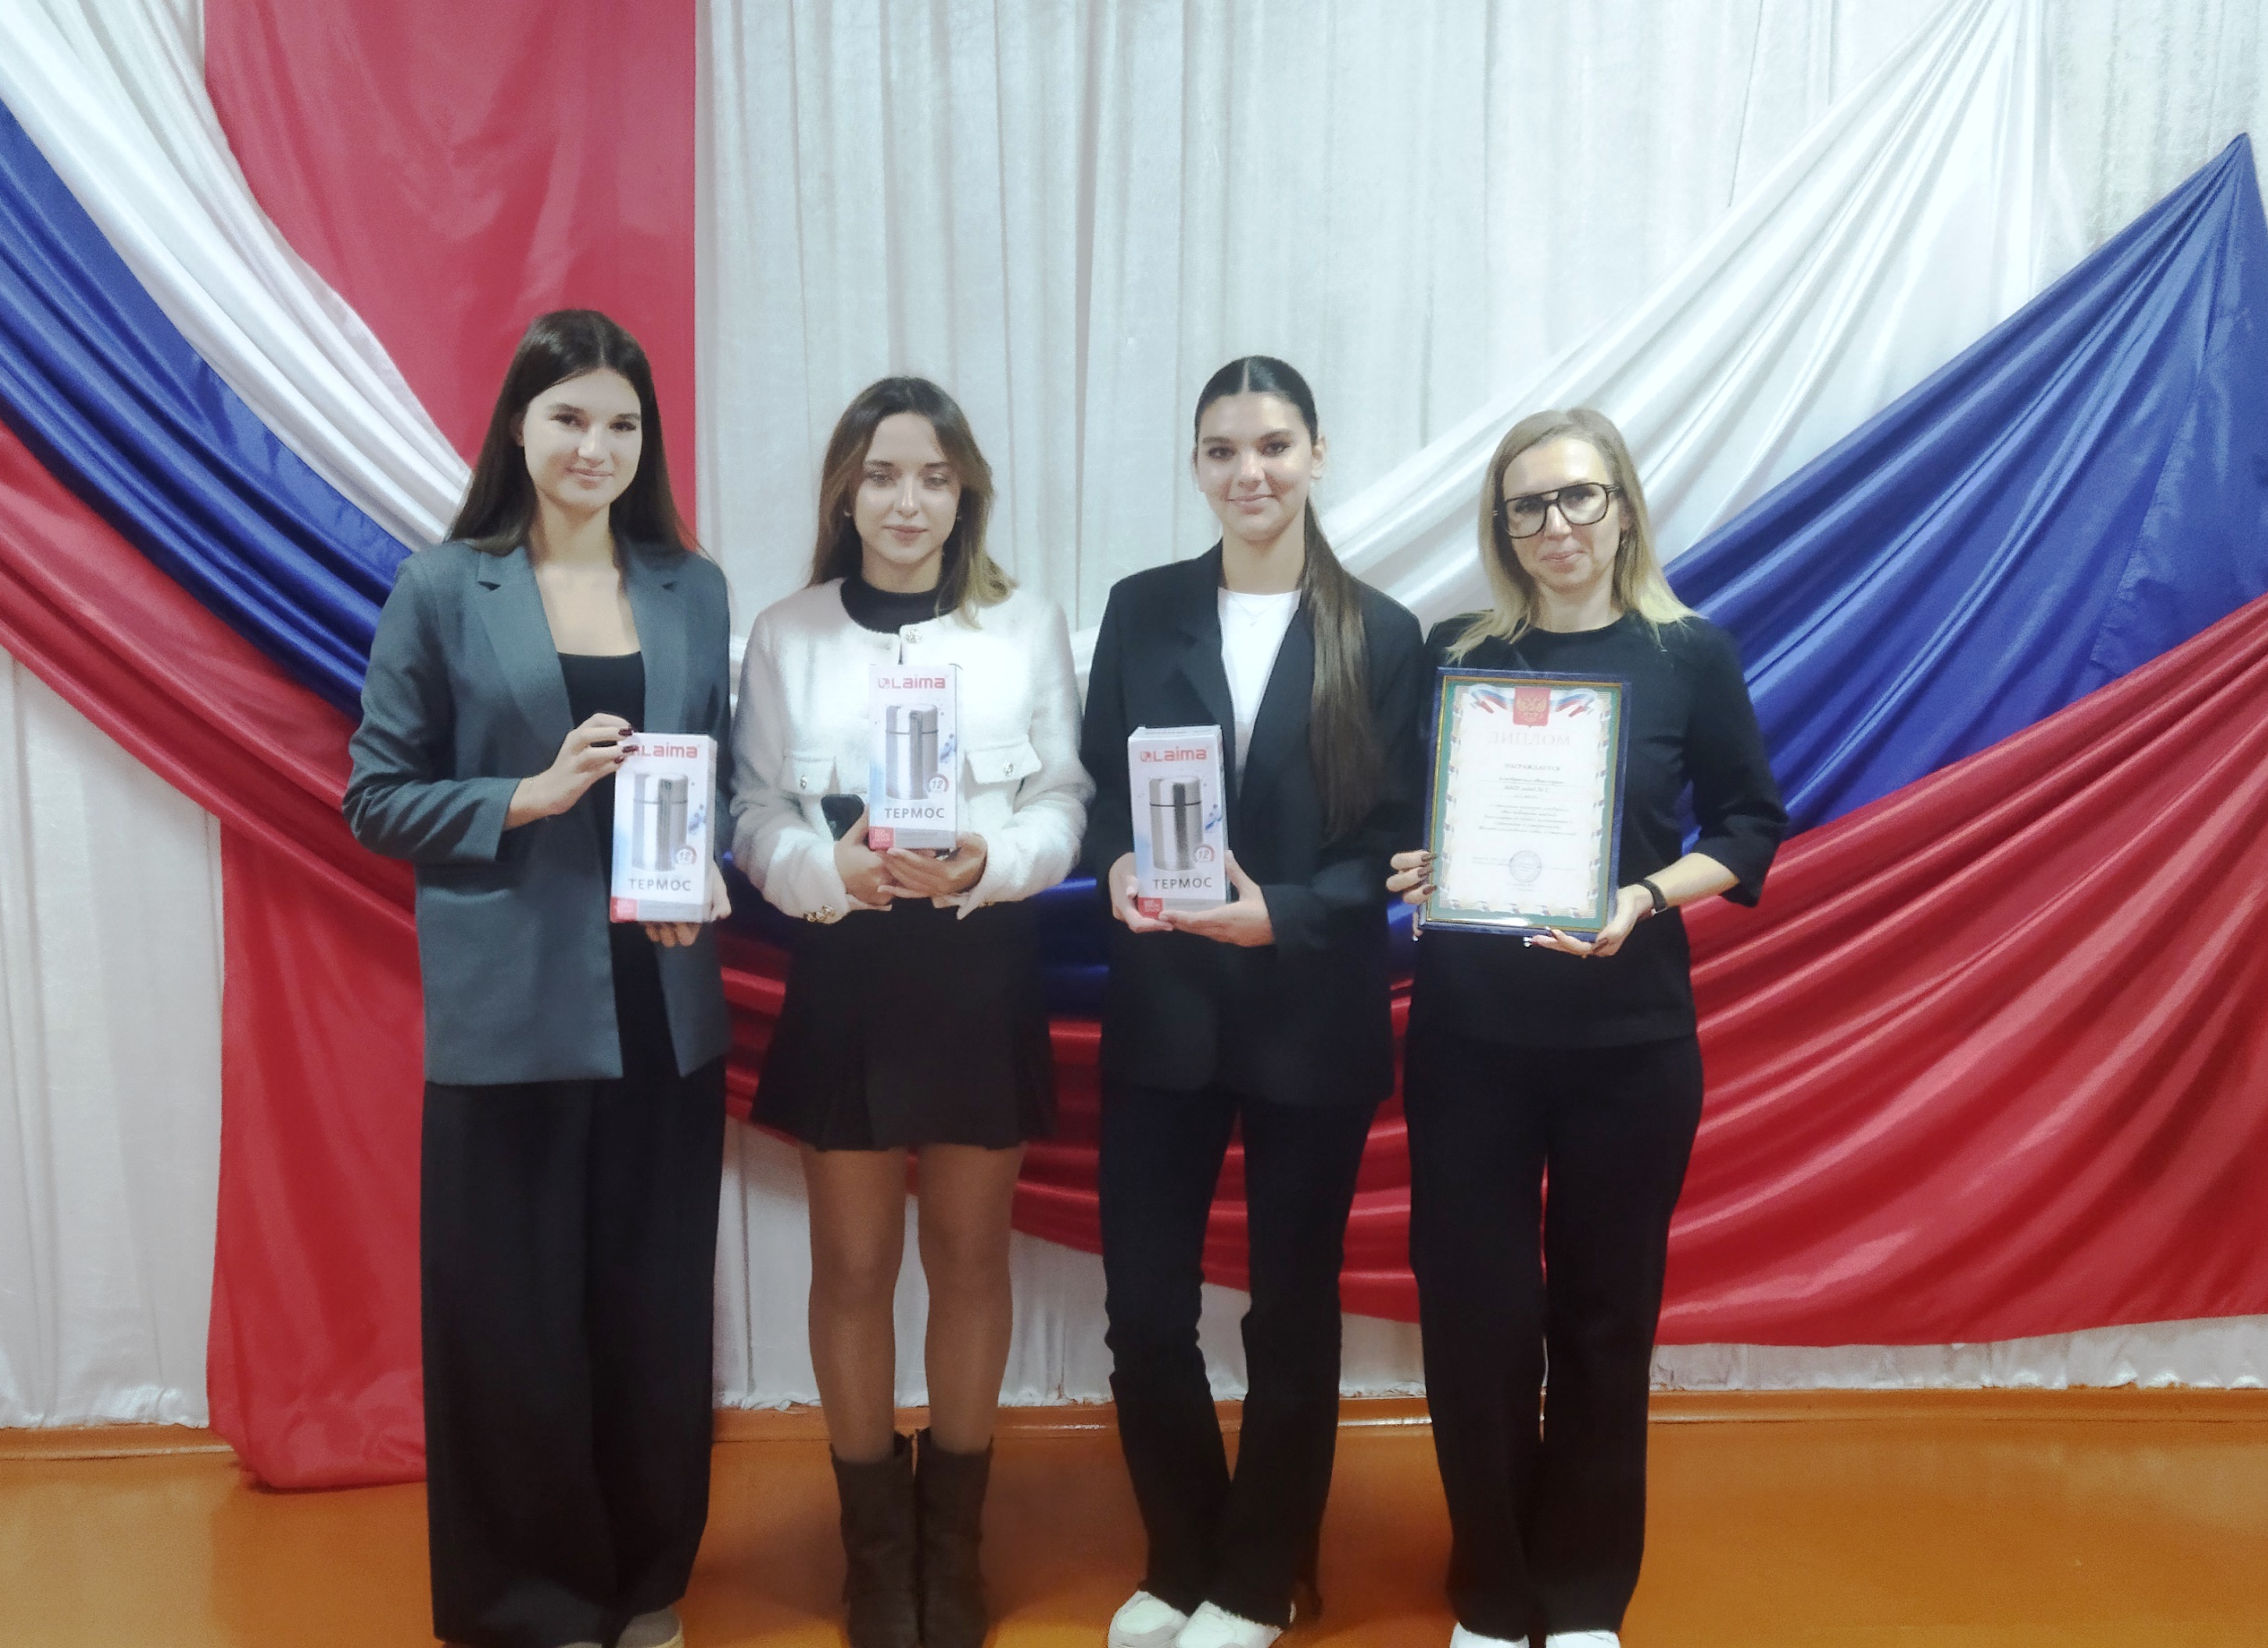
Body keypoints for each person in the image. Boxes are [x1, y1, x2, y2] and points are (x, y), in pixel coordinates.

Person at [344, 310, 734, 1648]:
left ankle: (646, 1581)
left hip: (665, 1007)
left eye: (622, 423)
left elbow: (709, 771)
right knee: (512, 1324)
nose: (596, 446)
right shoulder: (445, 586)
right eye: (570, 417)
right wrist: (528, 793)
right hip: (512, 1013)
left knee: (650, 1313)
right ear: (519, 425)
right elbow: (375, 798)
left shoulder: (691, 586)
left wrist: (704, 874)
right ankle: (532, 1602)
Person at [1387, 408, 1787, 1648]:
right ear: (1500, 526)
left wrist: (1643, 896)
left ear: (1621, 505)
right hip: (1469, 1044)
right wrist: (1415, 863)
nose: (1555, 525)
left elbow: (1749, 825)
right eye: (1527, 505)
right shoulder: (1455, 654)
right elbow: (1403, 820)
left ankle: (1581, 1596)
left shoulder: (1688, 654)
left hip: (1629, 1048)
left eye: (1577, 496)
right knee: (1477, 1322)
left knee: (1607, 1324)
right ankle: (1492, 1592)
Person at [733, 376, 1091, 1648]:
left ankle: (954, 1548)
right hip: (847, 968)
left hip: (977, 965)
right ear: (846, 491)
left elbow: (1065, 798)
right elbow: (751, 810)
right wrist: (823, 869)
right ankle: (874, 1556)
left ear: (964, 492)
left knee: (970, 1258)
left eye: (933, 477)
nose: (907, 501)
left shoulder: (1024, 625)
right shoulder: (786, 633)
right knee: (851, 1266)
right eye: (882, 475)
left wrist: (996, 860)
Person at [1080, 356, 1426, 1648]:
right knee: (1143, 1311)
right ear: (1196, 466)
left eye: (1274, 445)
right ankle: (1181, 1558)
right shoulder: (1142, 608)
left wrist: (1283, 911)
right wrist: (1116, 865)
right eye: (1222, 450)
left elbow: (1397, 843)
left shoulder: (1381, 633)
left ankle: (1260, 1576)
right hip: (1163, 1007)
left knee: (1289, 1313)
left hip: (1307, 1012)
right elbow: (1100, 793)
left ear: (1316, 454)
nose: (1250, 472)